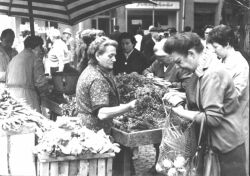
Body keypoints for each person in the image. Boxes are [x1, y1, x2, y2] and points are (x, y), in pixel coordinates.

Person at [163, 32, 246, 176]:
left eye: (178, 62)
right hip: (213, 145)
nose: (177, 67)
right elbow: (206, 97)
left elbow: (212, 118)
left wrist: (180, 111)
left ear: (191, 54)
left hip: (225, 148)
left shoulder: (212, 73)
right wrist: (180, 95)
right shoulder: (202, 70)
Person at [207, 24, 249, 176]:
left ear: (228, 44)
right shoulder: (223, 60)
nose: (214, 51)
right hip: (224, 121)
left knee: (236, 166)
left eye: (216, 47)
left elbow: (235, 93)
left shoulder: (240, 64)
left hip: (236, 121)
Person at [76, 36, 137, 134]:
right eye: (110, 56)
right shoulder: (97, 78)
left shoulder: (92, 69)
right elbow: (102, 113)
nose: (114, 59)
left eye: (115, 55)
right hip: (95, 134)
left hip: (88, 129)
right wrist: (130, 106)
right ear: (98, 56)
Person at [6, 36, 49, 113]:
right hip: (26, 97)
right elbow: (40, 83)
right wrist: (47, 90)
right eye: (40, 47)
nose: (41, 50)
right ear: (36, 47)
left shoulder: (14, 58)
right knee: (32, 123)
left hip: (11, 98)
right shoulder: (35, 58)